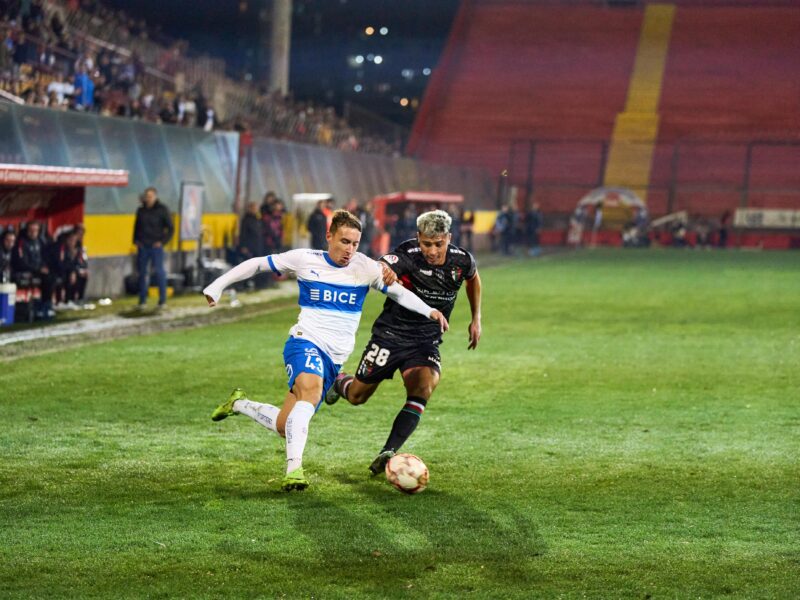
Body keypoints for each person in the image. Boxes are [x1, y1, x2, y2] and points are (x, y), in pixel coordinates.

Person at [202, 209, 449, 492]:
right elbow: (259, 264)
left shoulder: (365, 268)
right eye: (344, 241)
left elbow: (398, 293)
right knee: (311, 391)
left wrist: (430, 310)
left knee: (286, 425)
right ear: (329, 236)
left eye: (355, 243)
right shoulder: (305, 260)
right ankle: (294, 470)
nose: (350, 249)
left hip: (334, 359)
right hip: (304, 341)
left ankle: (239, 404)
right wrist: (217, 285)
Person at [325, 209, 482, 474]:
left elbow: (473, 280)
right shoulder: (408, 254)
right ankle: (339, 381)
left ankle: (388, 453)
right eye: (426, 244)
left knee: (424, 386)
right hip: (390, 336)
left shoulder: (461, 260)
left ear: (449, 238)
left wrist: (476, 318)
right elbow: (384, 264)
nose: (432, 251)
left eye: (438, 244)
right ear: (418, 238)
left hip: (426, 340)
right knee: (357, 396)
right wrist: (385, 269)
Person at [133, 187, 174, 308]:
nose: (148, 198)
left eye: (151, 196)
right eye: (147, 196)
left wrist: (162, 242)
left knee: (159, 272)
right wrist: (136, 240)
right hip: (143, 246)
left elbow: (171, 228)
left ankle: (162, 300)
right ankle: (142, 301)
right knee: (142, 273)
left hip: (156, 246)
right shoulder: (141, 210)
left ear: (155, 196)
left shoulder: (162, 209)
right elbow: (136, 227)